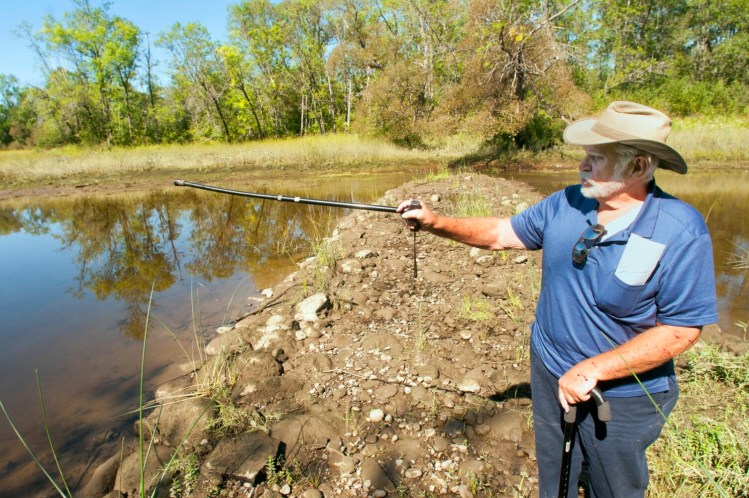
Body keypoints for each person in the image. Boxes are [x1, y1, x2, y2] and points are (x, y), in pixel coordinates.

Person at [397, 101, 718, 498]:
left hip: (620, 398)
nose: (582, 165)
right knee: (557, 478)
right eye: (585, 154)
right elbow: (502, 233)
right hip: (550, 370)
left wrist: (594, 370)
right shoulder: (568, 202)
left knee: (614, 487)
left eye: (596, 157)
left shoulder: (679, 230)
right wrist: (436, 222)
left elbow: (681, 329)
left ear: (637, 167)